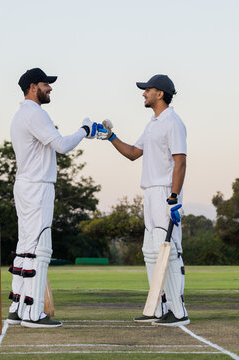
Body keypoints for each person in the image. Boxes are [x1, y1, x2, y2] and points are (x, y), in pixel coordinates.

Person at [7, 68, 99, 328]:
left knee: (26, 246)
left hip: (26, 185)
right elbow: (62, 145)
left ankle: (18, 306)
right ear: (34, 86)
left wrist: (85, 132)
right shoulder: (36, 113)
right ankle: (34, 313)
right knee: (39, 248)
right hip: (38, 186)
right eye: (47, 84)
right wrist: (85, 129)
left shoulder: (20, 114)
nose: (50, 88)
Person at [98, 74, 189, 326]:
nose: (143, 93)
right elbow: (133, 153)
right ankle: (158, 307)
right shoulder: (152, 124)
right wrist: (110, 136)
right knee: (150, 251)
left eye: (147, 90)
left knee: (168, 251)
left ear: (160, 94)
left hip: (165, 192)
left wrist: (174, 196)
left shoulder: (173, 122)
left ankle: (178, 311)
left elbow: (180, 161)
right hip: (149, 192)